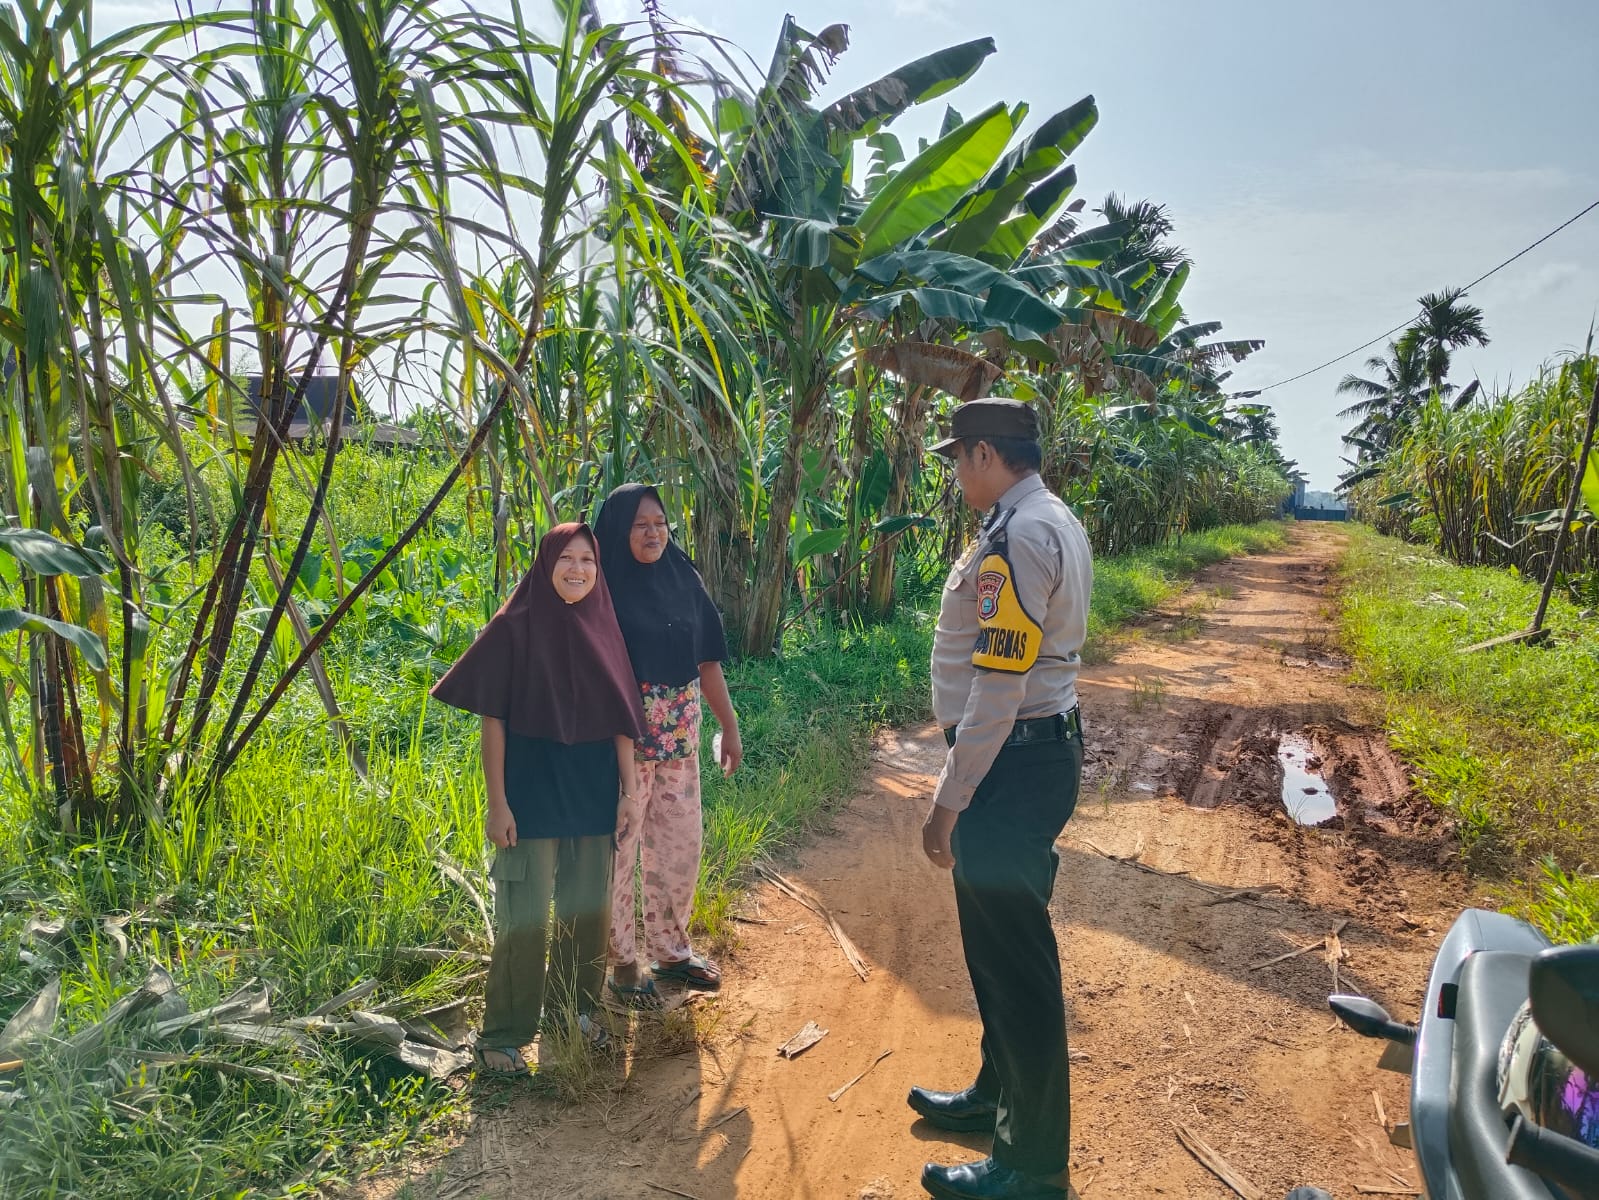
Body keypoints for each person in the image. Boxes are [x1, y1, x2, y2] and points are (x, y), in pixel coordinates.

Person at [909, 398, 1093, 1200]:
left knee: (1015, 964)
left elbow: (998, 685)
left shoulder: (1021, 533)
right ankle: (996, 1096)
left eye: (957, 458)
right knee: (994, 948)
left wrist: (949, 798)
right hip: (1026, 760)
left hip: (1009, 767)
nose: (955, 474)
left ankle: (1031, 1162)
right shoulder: (1041, 518)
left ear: (986, 454)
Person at [430, 522, 644, 1075]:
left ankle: (574, 1011)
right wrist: (496, 802)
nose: (579, 570)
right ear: (546, 562)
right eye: (567, 558)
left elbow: (623, 717)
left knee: (587, 911)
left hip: (593, 795)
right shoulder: (514, 627)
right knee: (523, 917)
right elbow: (493, 722)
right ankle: (502, 1034)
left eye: (589, 561)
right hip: (528, 796)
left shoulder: (604, 625)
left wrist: (629, 792)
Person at [591, 483, 742, 1008]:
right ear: (617, 531)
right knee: (619, 853)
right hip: (621, 749)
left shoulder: (683, 577)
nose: (653, 533)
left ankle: (672, 951)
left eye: (660, 523)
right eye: (640, 525)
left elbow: (707, 663)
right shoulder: (601, 588)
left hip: (679, 742)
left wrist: (730, 725)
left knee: (679, 847)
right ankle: (622, 962)